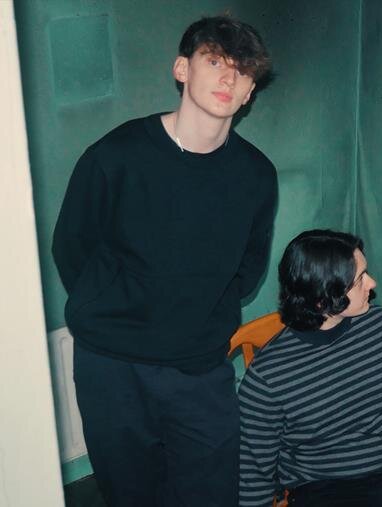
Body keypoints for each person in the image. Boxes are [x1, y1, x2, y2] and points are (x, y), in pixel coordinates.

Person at [52, 15, 276, 507]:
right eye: (214, 61)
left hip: (199, 369)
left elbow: (248, 269)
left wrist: (196, 314)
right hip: (112, 367)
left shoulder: (256, 175)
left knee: (212, 494)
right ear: (182, 69)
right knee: (130, 495)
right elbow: (71, 245)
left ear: (249, 93)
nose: (228, 77)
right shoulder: (116, 156)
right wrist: (109, 304)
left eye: (242, 71)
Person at [238, 230, 382, 507]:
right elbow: (254, 474)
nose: (372, 283)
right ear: (322, 300)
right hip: (323, 490)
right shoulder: (267, 376)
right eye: (359, 280)